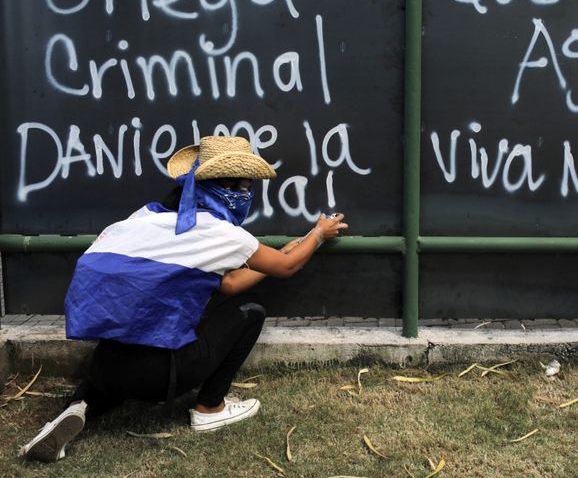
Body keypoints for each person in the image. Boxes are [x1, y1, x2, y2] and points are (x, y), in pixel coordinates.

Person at [19, 135, 347, 462]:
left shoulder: (144, 216)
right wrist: (318, 234)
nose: (248, 196)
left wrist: (281, 253)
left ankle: (77, 407)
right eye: (245, 188)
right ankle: (210, 408)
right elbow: (285, 267)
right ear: (227, 190)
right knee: (250, 311)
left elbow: (227, 283)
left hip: (106, 365)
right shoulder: (220, 232)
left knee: (119, 370)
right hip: (163, 376)